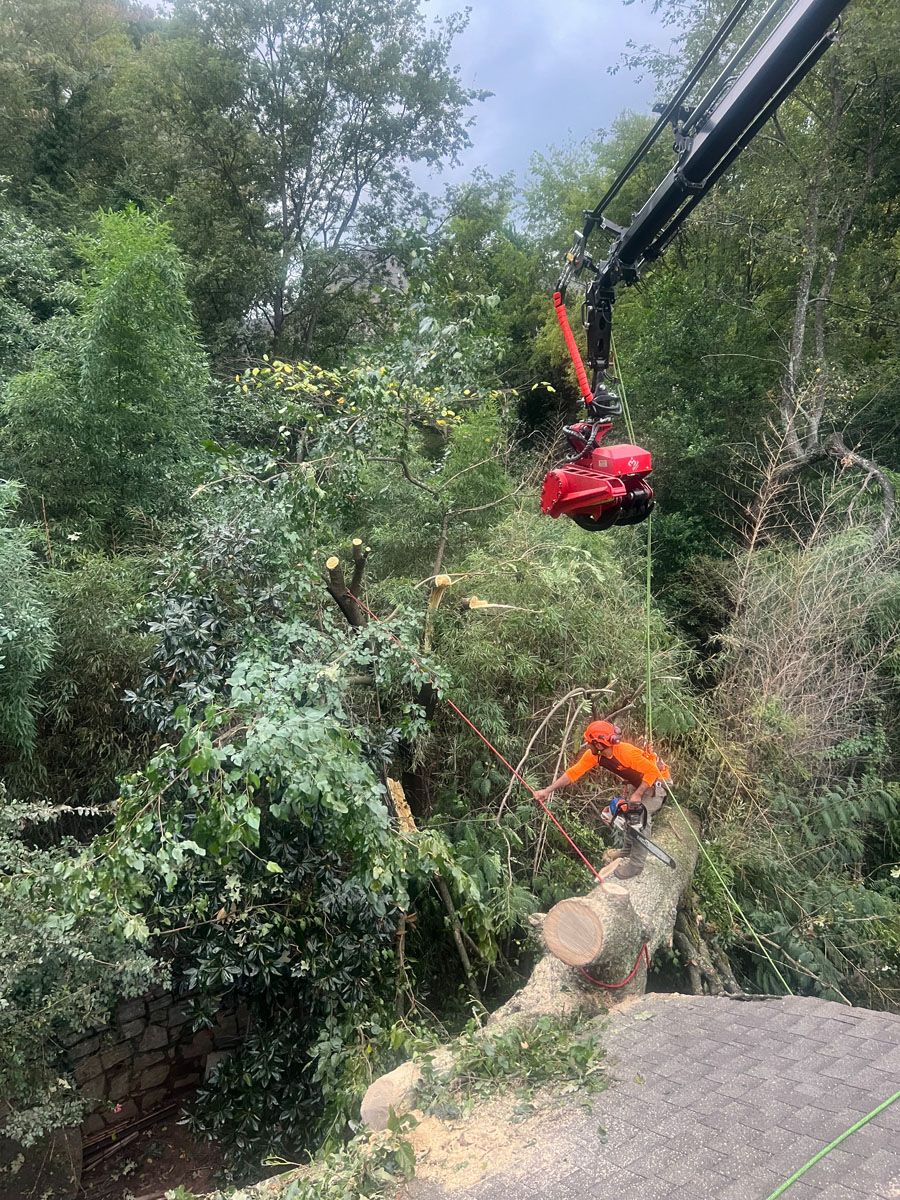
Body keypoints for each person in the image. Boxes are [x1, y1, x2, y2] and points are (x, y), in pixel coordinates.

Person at [533, 720, 670, 879]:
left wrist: (638, 794)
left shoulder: (625, 752)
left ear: (599, 745)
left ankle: (636, 865)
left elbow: (652, 771)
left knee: (639, 814)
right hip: (638, 781)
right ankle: (627, 849)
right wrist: (548, 791)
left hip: (657, 782)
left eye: (589, 742)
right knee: (625, 811)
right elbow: (572, 773)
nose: (587, 745)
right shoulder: (594, 756)